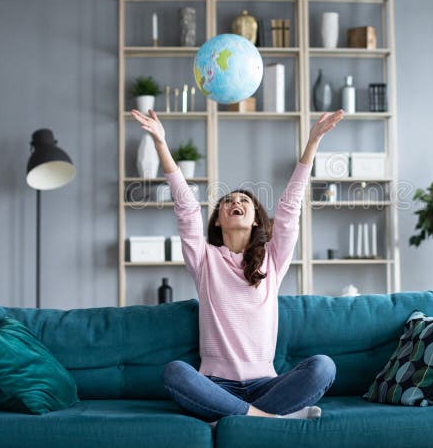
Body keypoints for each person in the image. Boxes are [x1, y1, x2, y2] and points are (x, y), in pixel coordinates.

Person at [131, 107, 344, 424]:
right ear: (217, 219)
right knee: (175, 372)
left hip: (265, 385)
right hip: (216, 385)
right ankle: (267, 420)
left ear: (257, 218)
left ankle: (233, 418)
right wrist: (161, 144)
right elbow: (187, 210)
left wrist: (312, 142)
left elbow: (289, 209)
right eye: (228, 201)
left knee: (323, 366)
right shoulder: (205, 260)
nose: (236, 203)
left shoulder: (272, 260)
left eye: (244, 201)